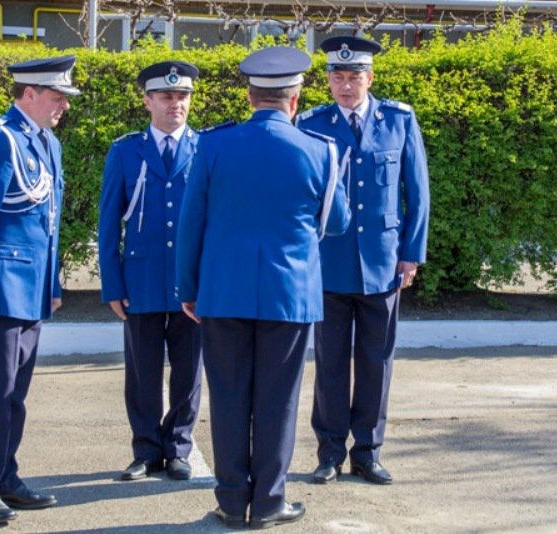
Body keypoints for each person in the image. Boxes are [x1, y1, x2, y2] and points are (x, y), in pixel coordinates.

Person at [176, 47, 351, 529]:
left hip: (223, 292)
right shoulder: (320, 150)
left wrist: (188, 288)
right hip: (288, 295)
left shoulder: (212, 146)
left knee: (229, 397)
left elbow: (191, 224)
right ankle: (270, 502)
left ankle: (232, 502)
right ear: (294, 100)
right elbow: (336, 222)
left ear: (249, 96)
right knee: (278, 401)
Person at [0, 56, 79, 525]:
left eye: (64, 97)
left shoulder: (45, 142)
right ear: (29, 94)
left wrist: (52, 284)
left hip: (29, 291)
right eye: (57, 95)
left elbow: (46, 224)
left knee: (14, 394)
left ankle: (5, 475)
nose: (63, 104)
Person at [296, 35, 430, 486]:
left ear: (370, 78)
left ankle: (368, 453)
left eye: (355, 76)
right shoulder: (311, 123)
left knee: (376, 361)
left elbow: (418, 193)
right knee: (330, 363)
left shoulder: (399, 120)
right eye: (338, 75)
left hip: (382, 263)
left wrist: (411, 254)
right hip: (328, 264)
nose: (346, 85)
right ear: (328, 80)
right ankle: (330, 453)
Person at [98, 61, 204, 482]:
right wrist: (111, 282)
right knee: (142, 369)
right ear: (148, 101)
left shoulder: (206, 147)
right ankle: (145, 449)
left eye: (183, 96)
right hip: (140, 277)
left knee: (188, 368)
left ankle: (178, 447)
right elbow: (109, 222)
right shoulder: (125, 151)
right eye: (166, 96)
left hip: (190, 281)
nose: (175, 103)